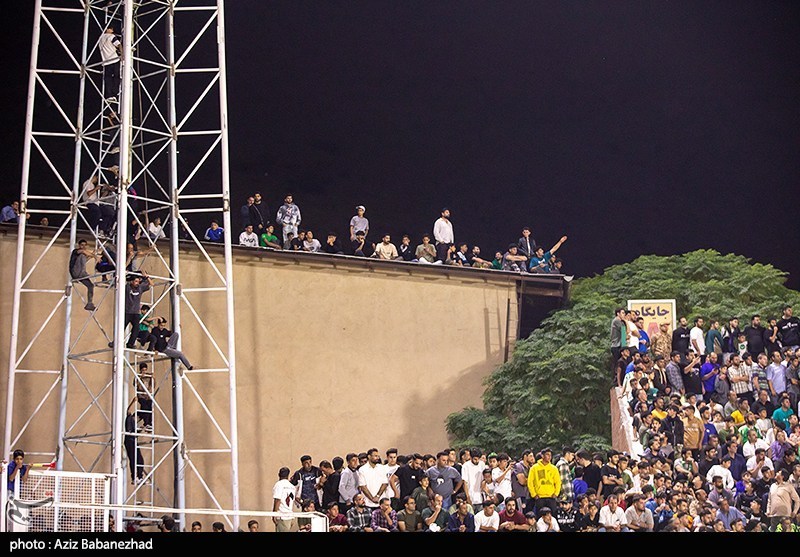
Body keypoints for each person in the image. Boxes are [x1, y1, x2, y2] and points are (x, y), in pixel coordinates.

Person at [69, 238, 101, 311]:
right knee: (83, 255)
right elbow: (83, 252)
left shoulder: (82, 256)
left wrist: (92, 255)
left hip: (80, 274)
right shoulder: (76, 251)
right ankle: (83, 273)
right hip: (76, 272)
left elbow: (85, 260)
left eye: (85, 245)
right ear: (79, 245)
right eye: (82, 245)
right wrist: (95, 256)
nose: (83, 247)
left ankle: (89, 303)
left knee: (90, 286)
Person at [527, 447, 561, 516]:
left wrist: (556, 493)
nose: (549, 457)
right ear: (542, 456)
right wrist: (534, 495)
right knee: (540, 516)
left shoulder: (554, 468)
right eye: (547, 454)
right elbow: (530, 482)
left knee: (553, 516)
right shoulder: (534, 468)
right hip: (539, 497)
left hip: (551, 496)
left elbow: (558, 482)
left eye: (550, 455)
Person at [98, 25, 121, 100]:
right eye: (111, 29)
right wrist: (123, 54)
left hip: (106, 61)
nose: (112, 30)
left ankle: (109, 95)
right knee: (116, 77)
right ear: (107, 29)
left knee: (108, 79)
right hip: (114, 59)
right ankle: (115, 94)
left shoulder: (100, 38)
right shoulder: (111, 36)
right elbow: (118, 44)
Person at [272, 466, 299, 532]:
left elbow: (278, 500)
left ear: (279, 474)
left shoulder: (279, 484)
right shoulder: (292, 486)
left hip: (281, 515)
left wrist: (274, 514)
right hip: (290, 515)